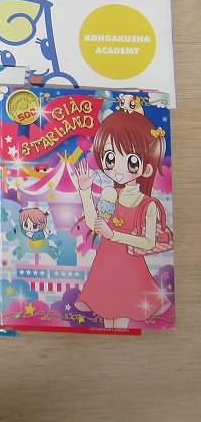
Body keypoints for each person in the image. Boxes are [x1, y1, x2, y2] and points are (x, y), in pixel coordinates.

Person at [74, 110, 170, 329]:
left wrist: (113, 234)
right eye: (110, 158)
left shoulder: (148, 204)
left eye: (131, 161)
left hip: (130, 267)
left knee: (122, 315)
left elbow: (149, 242)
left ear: (146, 168)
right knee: (108, 314)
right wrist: (85, 191)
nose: (117, 168)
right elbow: (94, 223)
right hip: (105, 264)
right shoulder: (110, 195)